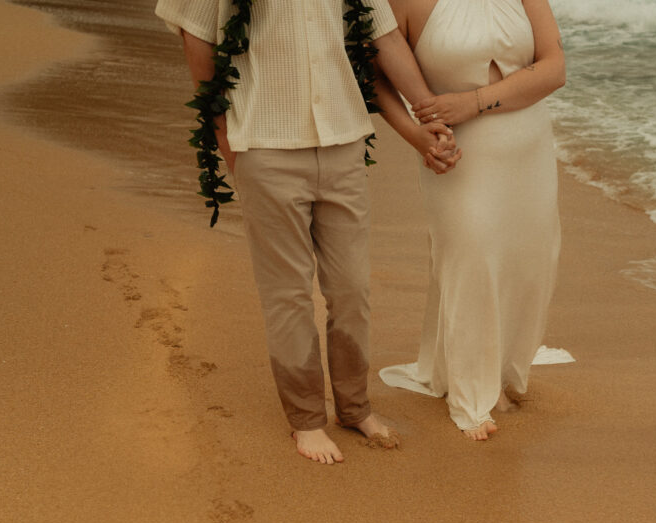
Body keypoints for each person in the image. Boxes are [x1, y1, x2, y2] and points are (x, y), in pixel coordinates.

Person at [155, 0, 459, 464]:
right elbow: (195, 33)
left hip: (344, 140)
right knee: (289, 293)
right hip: (266, 142)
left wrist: (427, 117)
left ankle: (355, 407)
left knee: (353, 288)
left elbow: (386, 36)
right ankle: (306, 419)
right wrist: (222, 133)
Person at [376, 0, 566, 440]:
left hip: (529, 143)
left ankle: (498, 373)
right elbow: (374, 77)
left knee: (530, 262)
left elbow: (555, 69)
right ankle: (471, 394)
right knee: (472, 262)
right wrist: (416, 138)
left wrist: (474, 103)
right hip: (459, 153)